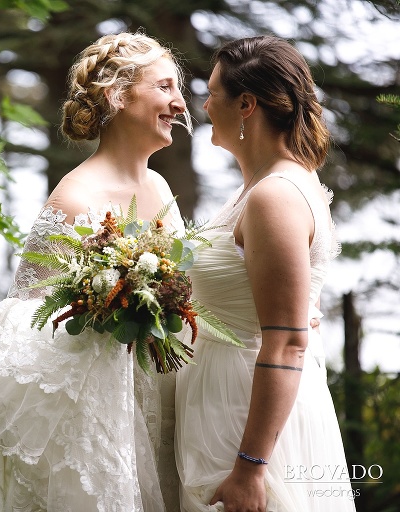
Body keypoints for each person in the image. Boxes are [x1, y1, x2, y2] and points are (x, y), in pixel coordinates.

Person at [0, 31, 191, 511]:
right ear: (118, 95)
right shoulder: (74, 199)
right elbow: (21, 326)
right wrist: (106, 310)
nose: (180, 103)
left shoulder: (162, 187)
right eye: (165, 87)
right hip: (98, 416)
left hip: (165, 397)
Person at [174, 35, 356, 512]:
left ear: (247, 104)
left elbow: (287, 341)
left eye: (213, 92)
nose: (204, 104)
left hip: (245, 423)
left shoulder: (275, 196)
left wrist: (251, 469)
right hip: (221, 404)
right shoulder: (259, 187)